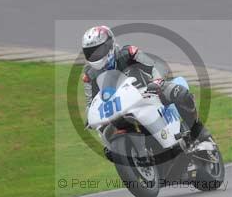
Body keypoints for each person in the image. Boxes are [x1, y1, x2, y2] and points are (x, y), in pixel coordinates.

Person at [81, 25, 209, 157]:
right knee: (102, 127)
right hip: (119, 106)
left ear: (110, 45)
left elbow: (153, 66)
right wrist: (90, 115)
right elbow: (91, 102)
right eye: (90, 53)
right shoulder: (89, 74)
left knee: (179, 91)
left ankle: (197, 129)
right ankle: (116, 150)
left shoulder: (128, 53)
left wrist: (157, 81)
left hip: (148, 92)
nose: (95, 56)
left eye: (98, 51)